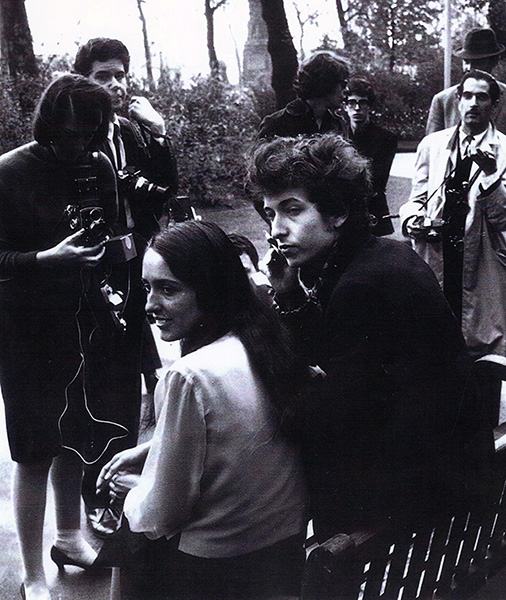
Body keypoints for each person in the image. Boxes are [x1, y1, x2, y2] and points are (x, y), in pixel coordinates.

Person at [248, 132, 493, 543]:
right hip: (451, 482)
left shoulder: (364, 283)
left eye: (292, 211)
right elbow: (345, 366)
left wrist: (262, 348)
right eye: (270, 214)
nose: (277, 230)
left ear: (338, 211)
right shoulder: (383, 254)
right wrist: (290, 293)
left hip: (412, 517)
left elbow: (325, 420)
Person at [96, 221, 307, 600]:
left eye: (168, 289)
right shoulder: (261, 339)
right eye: (147, 287)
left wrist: (130, 491)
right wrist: (150, 452)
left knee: (129, 535)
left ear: (209, 290)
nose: (149, 305)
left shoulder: (189, 376)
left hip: (218, 571)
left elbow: (165, 514)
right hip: (280, 554)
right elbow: (238, 433)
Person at [0, 74, 146, 600]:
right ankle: (33, 575)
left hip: (84, 323)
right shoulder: (9, 172)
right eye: (67, 135)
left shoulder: (98, 164)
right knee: (35, 449)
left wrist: (119, 255)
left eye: (89, 133)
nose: (77, 145)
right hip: (25, 331)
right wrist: (47, 258)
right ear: (48, 123)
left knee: (75, 439)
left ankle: (69, 538)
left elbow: (114, 233)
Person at [74, 37, 177, 533]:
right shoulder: (78, 135)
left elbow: (163, 189)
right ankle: (97, 493)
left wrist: (159, 134)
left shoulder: (133, 133)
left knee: (142, 376)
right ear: (82, 82)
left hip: (138, 265)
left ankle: (132, 482)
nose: (114, 85)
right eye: (102, 76)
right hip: (96, 273)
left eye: (119, 75)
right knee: (103, 384)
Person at [401, 69, 506, 427]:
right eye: (468, 96)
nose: (474, 103)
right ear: (457, 101)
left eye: (483, 97)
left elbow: (505, 224)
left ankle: (484, 453)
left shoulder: (505, 151)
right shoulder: (433, 145)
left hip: (482, 270)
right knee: (433, 349)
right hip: (436, 262)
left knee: (482, 357)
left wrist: (491, 178)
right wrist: (412, 219)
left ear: (494, 104)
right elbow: (415, 199)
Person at [426, 28, 506, 135]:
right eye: (466, 61)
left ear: (494, 61)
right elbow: (432, 147)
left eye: (478, 61)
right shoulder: (443, 100)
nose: (469, 67)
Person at [344, 76, 397, 236]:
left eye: (362, 102)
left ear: (370, 107)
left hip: (373, 210)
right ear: (345, 106)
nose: (357, 108)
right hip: (343, 210)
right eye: (352, 103)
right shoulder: (337, 137)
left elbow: (377, 180)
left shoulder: (386, 138)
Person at [258, 51, 349, 139]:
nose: (346, 90)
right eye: (343, 84)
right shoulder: (277, 123)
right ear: (326, 84)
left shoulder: (338, 124)